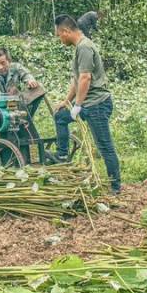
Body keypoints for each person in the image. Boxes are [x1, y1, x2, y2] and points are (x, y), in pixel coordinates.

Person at [52, 15, 121, 194]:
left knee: (104, 146)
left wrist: (78, 105)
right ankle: (62, 155)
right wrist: (66, 102)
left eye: (59, 35)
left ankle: (115, 186)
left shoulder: (84, 47)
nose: (60, 39)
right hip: (87, 104)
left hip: (96, 104)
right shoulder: (78, 48)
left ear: (66, 31)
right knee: (60, 116)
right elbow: (76, 81)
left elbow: (85, 78)